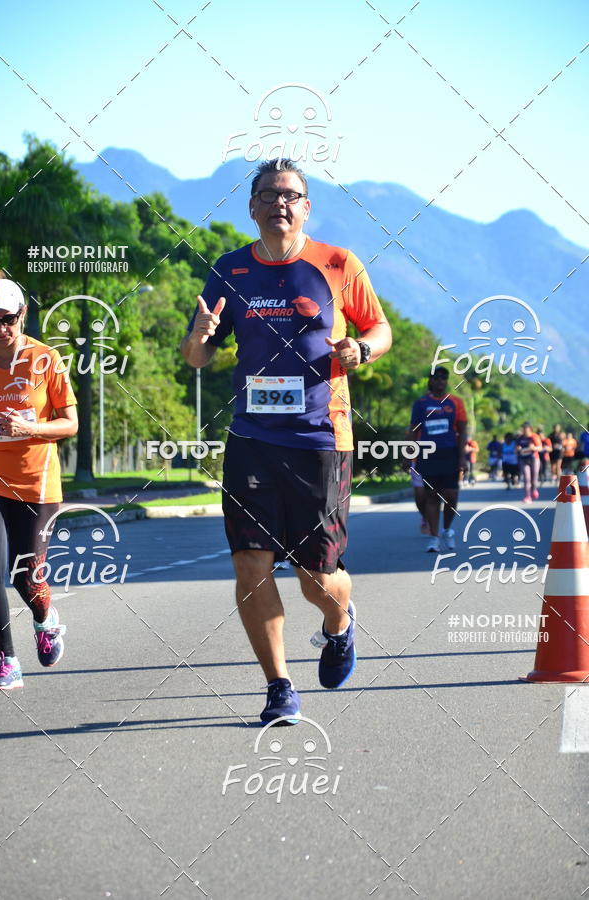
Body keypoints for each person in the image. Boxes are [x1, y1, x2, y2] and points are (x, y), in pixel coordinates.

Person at [181, 159, 392, 725]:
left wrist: (361, 350)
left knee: (315, 577)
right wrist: (198, 338)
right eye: (269, 194)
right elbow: (197, 356)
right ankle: (279, 686)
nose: (281, 202)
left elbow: (380, 328)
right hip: (252, 436)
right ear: (251, 208)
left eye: (292, 194)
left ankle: (339, 623)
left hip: (321, 438)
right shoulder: (228, 271)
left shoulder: (338, 264)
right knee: (251, 562)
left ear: (307, 207)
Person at [0, 279, 77, 690]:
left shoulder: (46, 359)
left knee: (24, 575)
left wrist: (30, 426)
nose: (1, 329)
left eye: (7, 319)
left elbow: (70, 423)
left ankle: (46, 620)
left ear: (22, 315)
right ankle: (8, 661)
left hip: (35, 483)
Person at [405, 366, 467, 553]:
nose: (440, 381)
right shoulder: (421, 403)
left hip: (450, 453)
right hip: (427, 454)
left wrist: (462, 458)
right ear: (430, 380)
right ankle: (434, 537)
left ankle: (447, 529)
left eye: (443, 378)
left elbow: (463, 431)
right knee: (431, 496)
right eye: (437, 378)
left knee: (451, 496)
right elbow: (413, 430)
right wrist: (408, 455)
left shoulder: (456, 402)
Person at [516, 422, 542, 502]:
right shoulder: (520, 438)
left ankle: (534, 489)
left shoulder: (534, 437)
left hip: (534, 459)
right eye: (523, 428)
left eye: (526, 428)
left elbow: (540, 448)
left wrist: (533, 448)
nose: (524, 430)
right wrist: (518, 449)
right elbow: (516, 449)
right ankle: (527, 496)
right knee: (527, 478)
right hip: (524, 459)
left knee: (534, 478)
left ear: (530, 429)